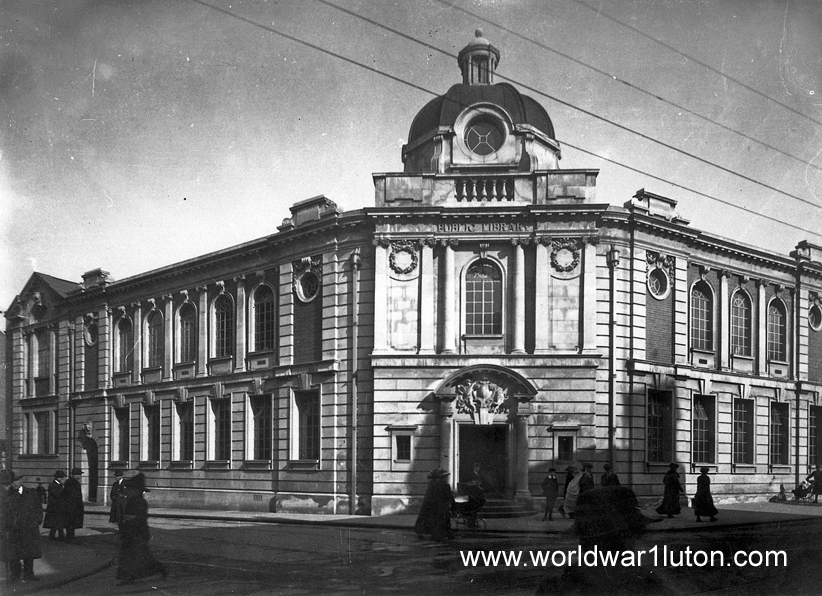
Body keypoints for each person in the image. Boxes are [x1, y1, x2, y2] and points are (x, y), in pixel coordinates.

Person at [116, 473, 167, 585]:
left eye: (130, 489)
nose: (128, 491)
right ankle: (130, 577)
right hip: (132, 533)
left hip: (137, 533)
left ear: (136, 491)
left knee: (135, 557)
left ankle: (158, 569)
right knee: (136, 557)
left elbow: (137, 519)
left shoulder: (139, 502)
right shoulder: (133, 501)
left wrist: (127, 523)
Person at [1, 470, 43, 584]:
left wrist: (38, 520)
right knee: (14, 554)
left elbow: (38, 508)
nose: (15, 483)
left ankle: (29, 574)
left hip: (30, 528)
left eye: (17, 480)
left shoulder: (31, 493)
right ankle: (15, 575)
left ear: (21, 480)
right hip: (15, 530)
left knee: (30, 553)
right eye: (13, 481)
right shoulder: (7, 494)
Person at [413, 468, 455, 542]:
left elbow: (429, 496)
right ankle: (445, 535)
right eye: (446, 477)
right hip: (442, 507)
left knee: (437, 521)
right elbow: (449, 496)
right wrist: (453, 505)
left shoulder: (433, 484)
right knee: (444, 521)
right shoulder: (445, 485)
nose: (447, 478)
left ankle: (441, 535)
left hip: (433, 506)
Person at [62, 467, 85, 542]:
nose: (81, 476)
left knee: (71, 522)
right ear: (76, 475)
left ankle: (70, 537)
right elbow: (74, 495)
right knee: (71, 522)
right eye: (80, 474)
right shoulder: (73, 482)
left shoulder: (69, 481)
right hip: (72, 506)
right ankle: (70, 538)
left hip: (70, 505)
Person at [43, 470, 66, 540]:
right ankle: (59, 535)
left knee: (56, 522)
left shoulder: (58, 485)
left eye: (62, 477)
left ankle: (54, 535)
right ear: (56, 477)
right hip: (54, 507)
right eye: (59, 477)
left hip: (57, 507)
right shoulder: (53, 485)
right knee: (57, 521)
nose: (61, 478)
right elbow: (59, 495)